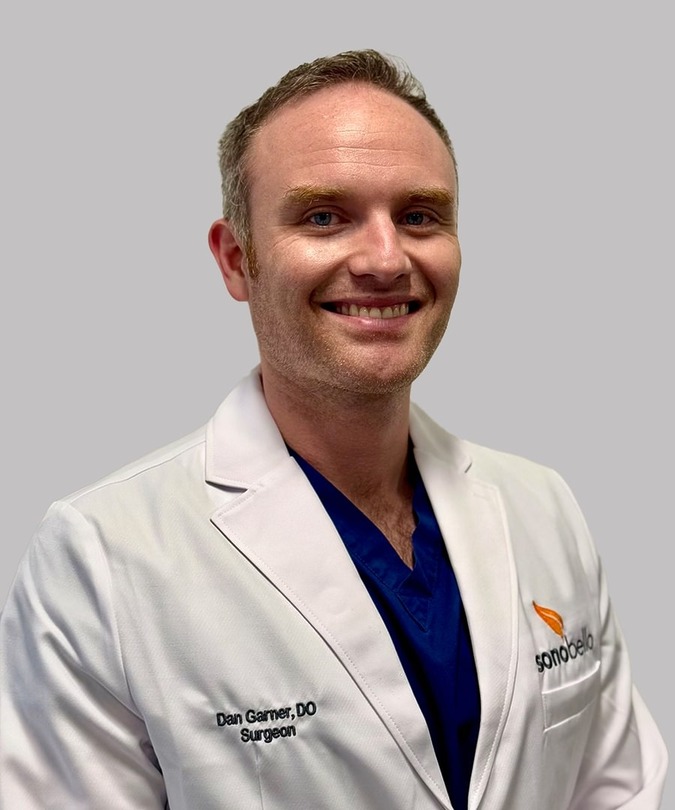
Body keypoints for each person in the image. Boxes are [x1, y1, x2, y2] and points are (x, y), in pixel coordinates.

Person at [0, 49, 667, 810]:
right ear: (236, 261)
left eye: (418, 216)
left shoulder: (543, 507)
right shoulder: (102, 556)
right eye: (324, 217)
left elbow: (621, 791)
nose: (385, 259)